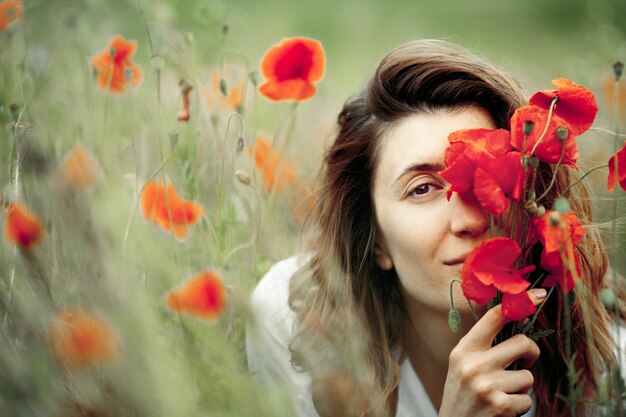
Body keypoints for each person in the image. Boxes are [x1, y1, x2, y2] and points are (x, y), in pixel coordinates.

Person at [246, 39, 621, 417]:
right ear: (374, 237)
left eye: (487, 175)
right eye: (422, 189)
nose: (469, 220)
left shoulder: (608, 371)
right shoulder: (296, 324)